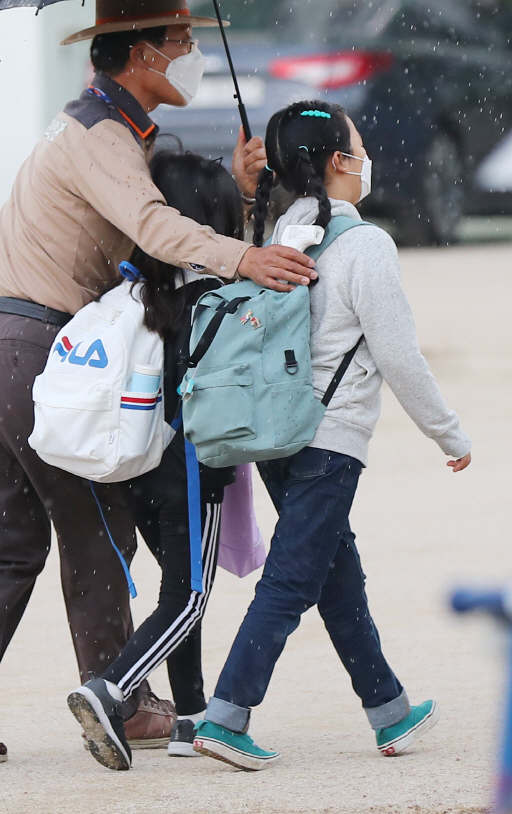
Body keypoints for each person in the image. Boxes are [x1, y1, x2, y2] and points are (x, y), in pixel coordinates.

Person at [0, 0, 317, 766]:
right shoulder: (102, 137)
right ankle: (123, 698)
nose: (193, 56)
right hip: (28, 351)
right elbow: (149, 224)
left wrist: (237, 191)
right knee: (99, 525)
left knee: (7, 541)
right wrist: (245, 253)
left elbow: (146, 218)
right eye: (181, 43)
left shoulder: (93, 129)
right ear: (142, 54)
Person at [193, 100, 472, 771]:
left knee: (336, 576)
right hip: (330, 441)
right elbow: (399, 355)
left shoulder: (283, 233)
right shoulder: (367, 246)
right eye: (360, 145)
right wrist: (448, 434)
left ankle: (389, 710)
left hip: (278, 438)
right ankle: (227, 715)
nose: (367, 156)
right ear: (342, 163)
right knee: (292, 580)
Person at [67, 150, 242, 772]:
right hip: (191, 473)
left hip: (135, 466)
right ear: (213, 221)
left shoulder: (133, 289)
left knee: (175, 589)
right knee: (189, 597)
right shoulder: (217, 299)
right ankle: (110, 690)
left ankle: (189, 716)